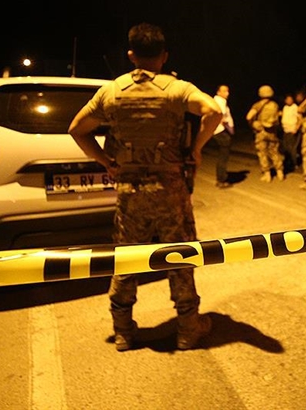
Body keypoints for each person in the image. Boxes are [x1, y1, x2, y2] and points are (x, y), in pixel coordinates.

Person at [68, 23, 222, 352]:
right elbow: (213, 110)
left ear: (131, 55)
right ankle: (187, 329)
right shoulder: (177, 89)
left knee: (127, 258)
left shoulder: (112, 91)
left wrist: (105, 161)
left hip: (130, 192)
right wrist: (196, 149)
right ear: (164, 56)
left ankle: (123, 331)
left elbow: (77, 128)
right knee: (179, 256)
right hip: (170, 190)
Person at [246, 85, 284, 181]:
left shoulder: (257, 105)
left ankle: (267, 174)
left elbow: (249, 117)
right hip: (272, 132)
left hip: (261, 132)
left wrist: (253, 124)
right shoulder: (275, 105)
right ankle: (280, 172)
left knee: (262, 153)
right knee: (274, 152)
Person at [212, 84, 235, 188]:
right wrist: (227, 126)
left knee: (223, 156)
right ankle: (221, 179)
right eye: (224, 91)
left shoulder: (216, 101)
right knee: (223, 156)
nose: (227, 93)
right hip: (221, 131)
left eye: (228, 91)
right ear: (218, 92)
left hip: (218, 131)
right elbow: (220, 115)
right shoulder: (220, 101)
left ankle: (221, 178)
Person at [280, 93, 300, 172]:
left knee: (292, 148)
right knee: (285, 147)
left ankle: (294, 163)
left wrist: (296, 128)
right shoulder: (285, 107)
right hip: (286, 129)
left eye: (290, 99)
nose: (289, 101)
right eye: (288, 99)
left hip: (292, 130)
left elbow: (300, 118)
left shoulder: (295, 107)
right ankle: (287, 161)